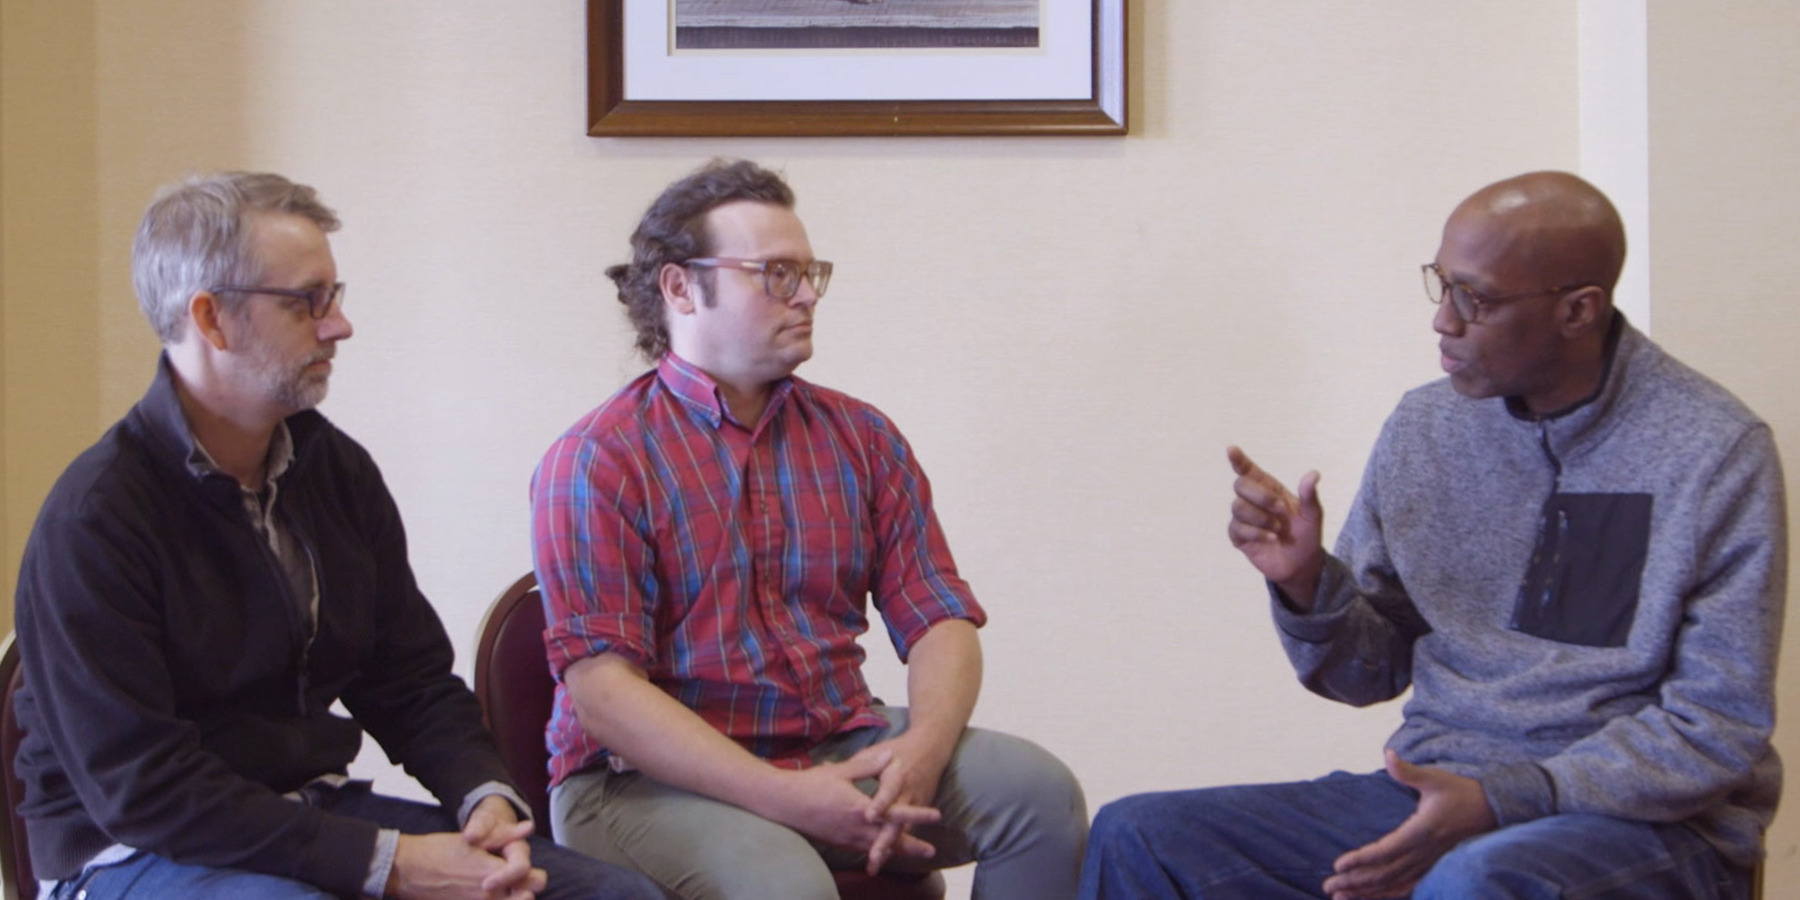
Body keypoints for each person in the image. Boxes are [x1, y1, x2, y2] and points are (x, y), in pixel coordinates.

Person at [1079, 171, 1781, 900]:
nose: (1442, 321)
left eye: (1473, 298)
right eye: (1440, 285)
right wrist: (1306, 583)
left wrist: (1508, 799)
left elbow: (1716, 728)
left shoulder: (1711, 451)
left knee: (1474, 878)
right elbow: (1368, 671)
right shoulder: (1427, 427)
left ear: (1579, 310)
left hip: (1642, 828)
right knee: (1142, 836)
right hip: (1437, 794)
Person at [11, 172, 663, 900]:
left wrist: (484, 798)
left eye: (334, 296)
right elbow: (146, 791)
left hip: (307, 810)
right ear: (211, 317)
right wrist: (392, 864)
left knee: (613, 897)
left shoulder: (333, 468)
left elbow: (408, 678)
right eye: (305, 302)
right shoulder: (97, 518)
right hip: (130, 849)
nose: (338, 325)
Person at [531, 159, 1088, 900]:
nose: (806, 296)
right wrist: (787, 797)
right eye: (776, 274)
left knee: (1041, 797)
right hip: (639, 785)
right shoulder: (597, 459)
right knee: (784, 884)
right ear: (679, 287)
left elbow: (939, 617)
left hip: (833, 741)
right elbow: (604, 694)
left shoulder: (860, 436)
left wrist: (922, 749)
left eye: (810, 273)